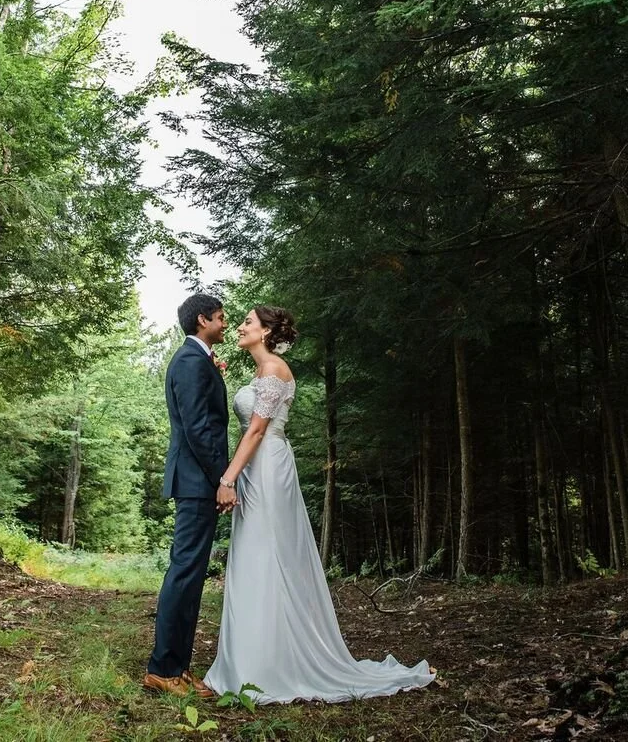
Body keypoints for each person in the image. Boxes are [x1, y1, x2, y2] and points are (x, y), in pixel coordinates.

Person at [203, 305, 435, 704]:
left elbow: (257, 430)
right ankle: (254, 657)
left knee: (265, 552)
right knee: (253, 554)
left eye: (247, 323)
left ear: (266, 332)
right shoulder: (261, 371)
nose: (240, 327)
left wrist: (227, 478)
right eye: (240, 322)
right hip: (257, 465)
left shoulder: (275, 369)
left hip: (268, 467)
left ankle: (268, 665)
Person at [143, 293, 232, 699]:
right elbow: (198, 428)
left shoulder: (197, 360)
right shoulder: (190, 361)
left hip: (197, 480)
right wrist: (223, 477)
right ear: (202, 320)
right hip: (197, 481)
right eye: (220, 317)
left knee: (192, 575)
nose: (226, 323)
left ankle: (176, 665)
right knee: (184, 573)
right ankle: (163, 668)